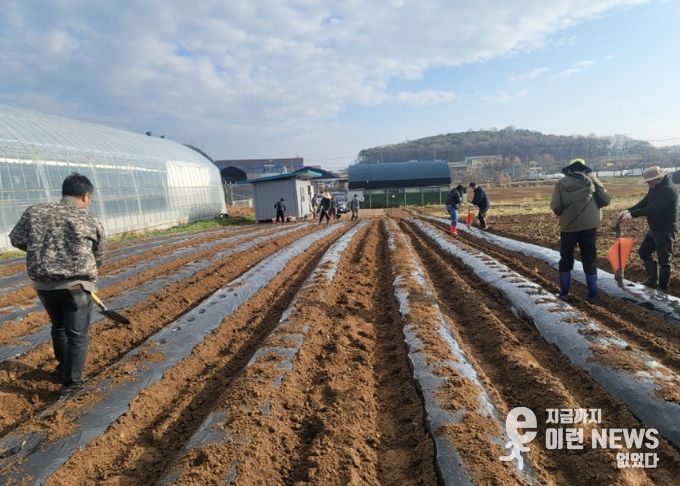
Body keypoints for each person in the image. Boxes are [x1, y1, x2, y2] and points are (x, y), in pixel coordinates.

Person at [9, 173, 106, 394]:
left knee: (59, 326)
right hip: (77, 287)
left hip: (45, 287)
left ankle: (64, 369)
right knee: (77, 335)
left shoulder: (35, 212)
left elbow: (16, 239)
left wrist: (41, 250)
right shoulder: (90, 219)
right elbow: (99, 253)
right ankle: (71, 384)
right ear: (85, 196)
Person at [551, 158, 610, 303]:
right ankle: (593, 295)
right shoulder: (592, 182)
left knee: (566, 258)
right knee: (589, 259)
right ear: (584, 169)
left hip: (569, 227)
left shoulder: (561, 183)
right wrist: (596, 181)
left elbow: (556, 207)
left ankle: (564, 294)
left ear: (569, 170)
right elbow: (606, 200)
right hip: (589, 227)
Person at [619, 166, 678, 291]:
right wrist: (628, 210)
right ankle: (652, 281)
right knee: (644, 252)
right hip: (654, 229)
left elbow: (653, 209)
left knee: (664, 261)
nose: (648, 184)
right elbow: (645, 202)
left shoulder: (668, 190)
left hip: (665, 230)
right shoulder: (655, 187)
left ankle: (662, 290)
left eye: (649, 181)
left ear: (658, 178)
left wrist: (632, 215)